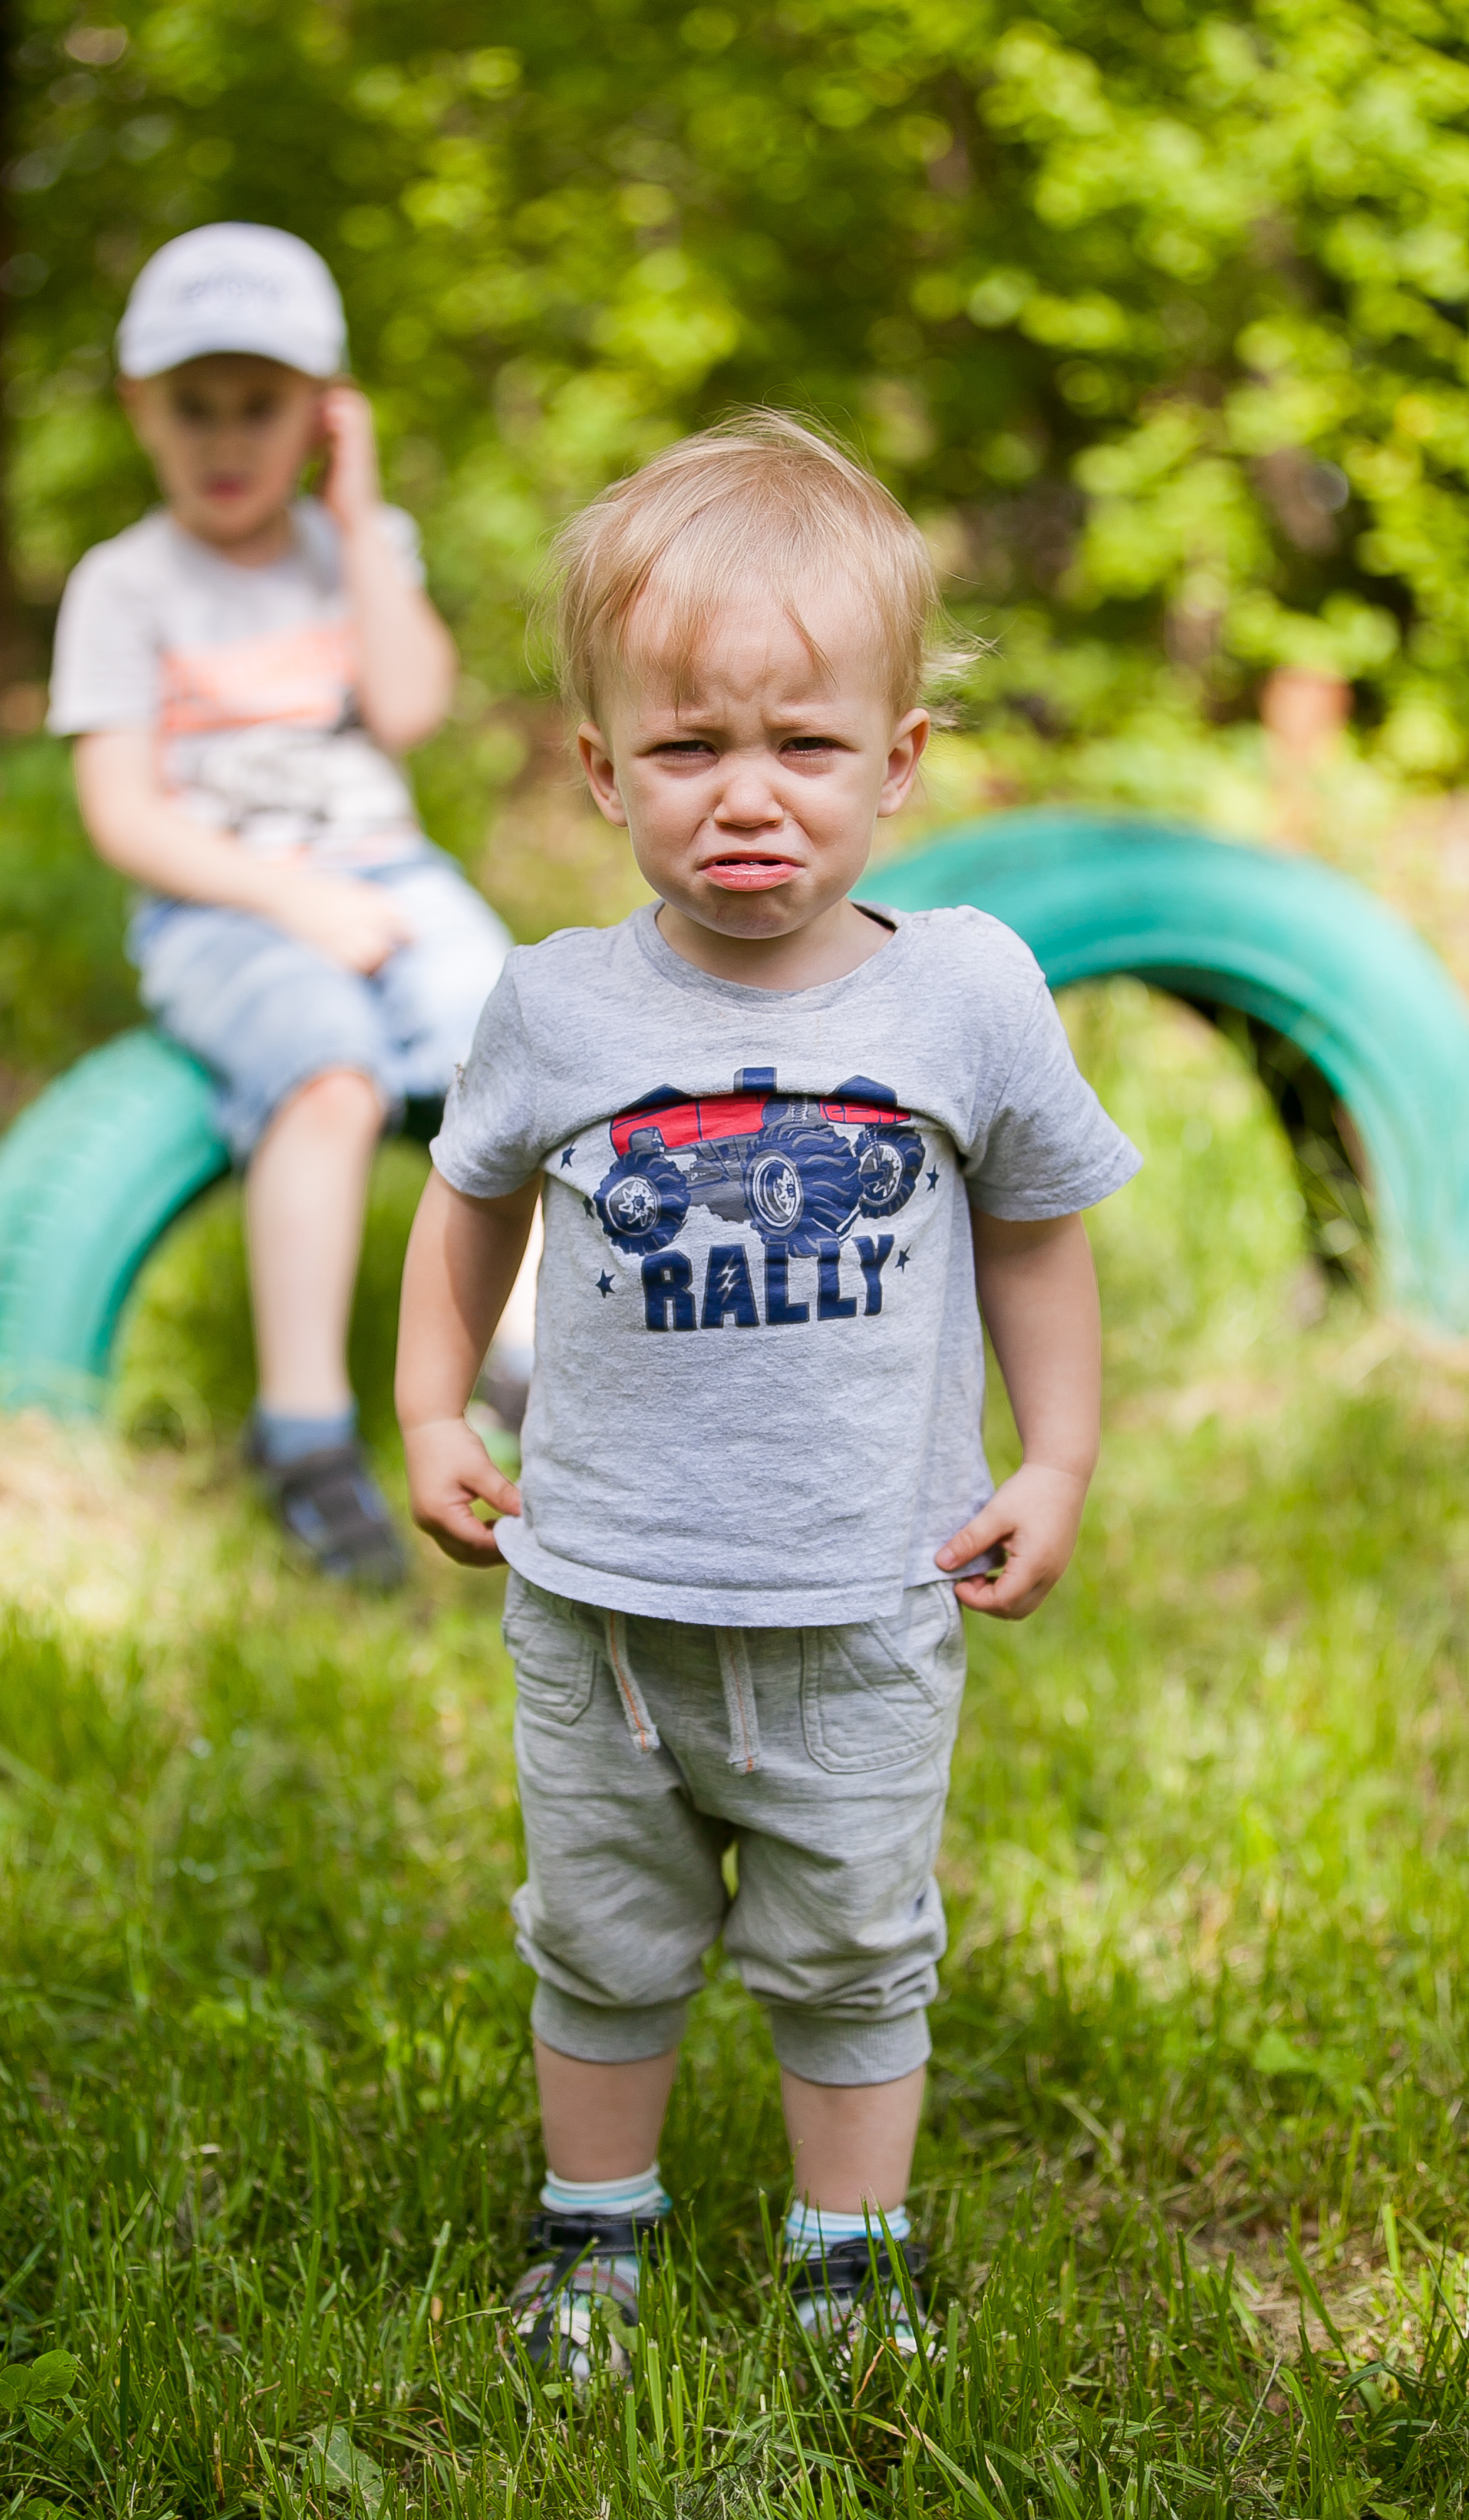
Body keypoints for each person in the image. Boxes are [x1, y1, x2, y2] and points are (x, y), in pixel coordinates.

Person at [395, 414, 1140, 2372]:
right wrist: (425, 1411)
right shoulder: (558, 1004)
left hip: (863, 1603)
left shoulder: (963, 994)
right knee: (605, 1935)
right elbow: (464, 1205)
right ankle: (592, 2227)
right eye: (687, 748)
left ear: (897, 761)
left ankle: (850, 2251)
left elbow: (1039, 1233)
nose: (749, 799)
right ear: (598, 767)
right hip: (604, 1602)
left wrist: (1055, 1453)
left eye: (804, 747)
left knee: (851, 1941)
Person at [48, 222, 531, 1583]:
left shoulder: (354, 550)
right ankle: (306, 1428)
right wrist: (291, 902)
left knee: (525, 1044)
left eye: (260, 408)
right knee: (327, 1073)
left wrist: (361, 510)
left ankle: (533, 1363)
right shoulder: (125, 586)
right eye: (192, 407)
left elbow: (412, 706)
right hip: (223, 905)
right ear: (141, 410)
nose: (225, 440)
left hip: (392, 879)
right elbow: (124, 815)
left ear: (318, 414)